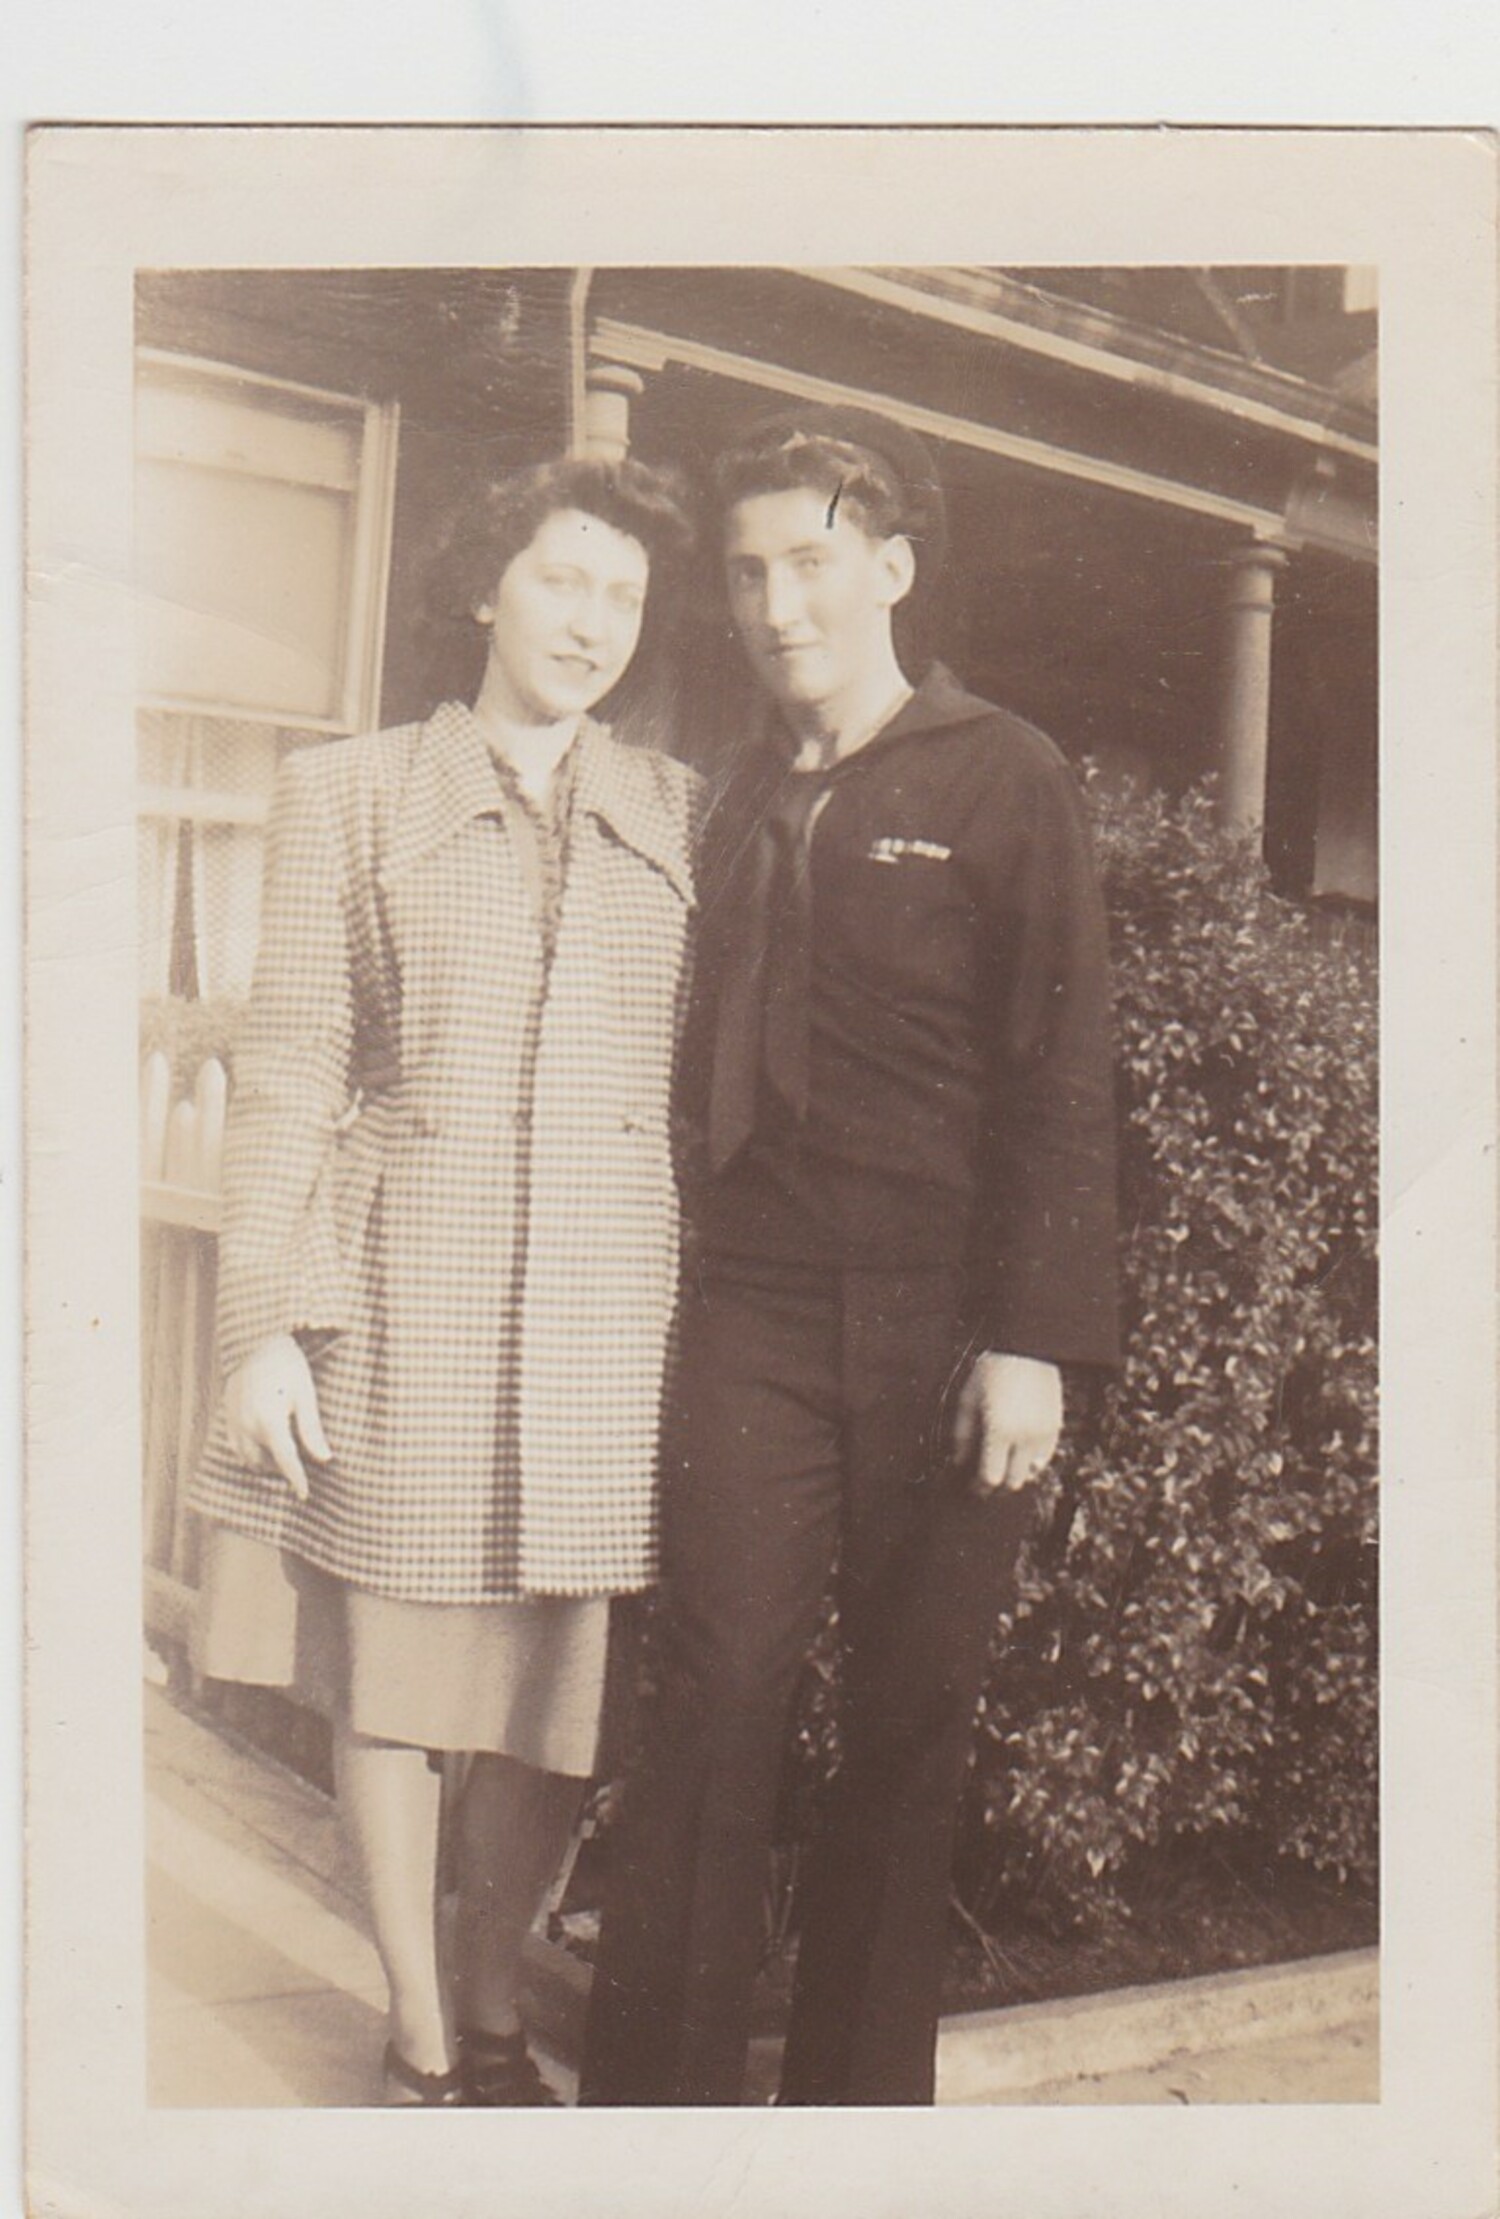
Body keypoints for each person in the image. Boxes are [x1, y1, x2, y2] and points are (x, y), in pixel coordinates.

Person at [581, 405, 1120, 2108]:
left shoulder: (1001, 774)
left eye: (809, 561)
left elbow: (1067, 1069)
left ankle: (853, 2148)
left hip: (945, 1339)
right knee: (711, 1711)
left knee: (902, 1744)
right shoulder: (734, 793)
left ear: (890, 569)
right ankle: (652, 2138)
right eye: (744, 573)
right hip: (749, 1310)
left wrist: (1033, 1337)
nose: (774, 604)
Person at [188, 455, 699, 2106]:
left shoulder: (681, 809)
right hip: (409, 1289)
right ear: (487, 587)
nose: (593, 623)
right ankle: (420, 2029)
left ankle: (497, 1998)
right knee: (399, 1679)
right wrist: (263, 1325)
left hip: (612, 1312)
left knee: (559, 1692)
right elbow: (288, 1071)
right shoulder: (351, 790)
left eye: (623, 596)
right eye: (563, 581)